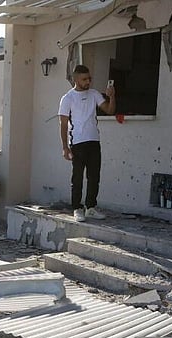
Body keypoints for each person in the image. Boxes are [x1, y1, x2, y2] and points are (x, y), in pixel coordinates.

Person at [58, 65, 115, 222]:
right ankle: (77, 208)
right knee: (77, 177)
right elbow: (62, 124)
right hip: (77, 142)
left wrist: (112, 96)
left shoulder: (94, 94)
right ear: (76, 79)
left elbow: (110, 110)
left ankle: (91, 208)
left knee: (94, 176)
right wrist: (65, 147)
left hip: (94, 141)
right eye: (84, 79)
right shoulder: (67, 98)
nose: (88, 81)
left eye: (89, 78)